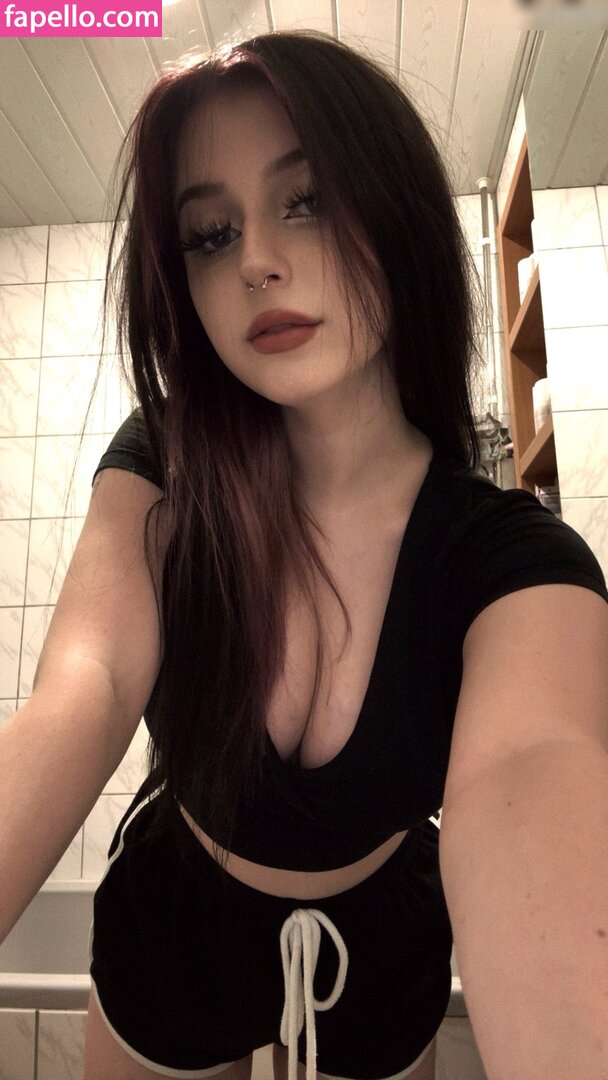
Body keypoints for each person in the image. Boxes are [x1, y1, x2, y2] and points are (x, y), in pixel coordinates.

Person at [1, 30, 607, 1080]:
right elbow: (85, 687)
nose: (254, 262)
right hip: (173, 919)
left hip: (383, 948)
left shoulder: (512, 561)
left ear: (398, 215)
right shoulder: (164, 464)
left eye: (308, 200)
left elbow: (531, 768)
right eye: (209, 233)